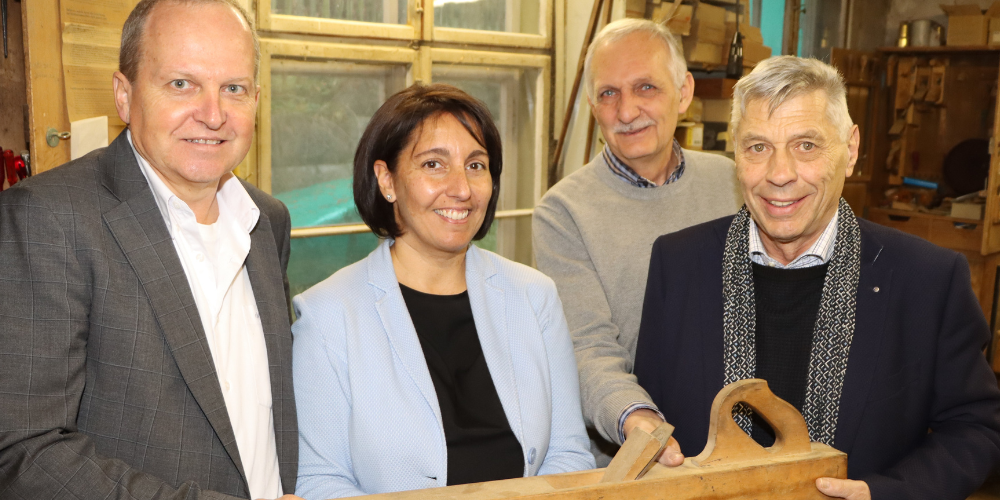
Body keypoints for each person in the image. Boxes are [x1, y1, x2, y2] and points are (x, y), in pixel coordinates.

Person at [634, 55, 1000, 500]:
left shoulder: (927, 280)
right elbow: (654, 421)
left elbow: (974, 427)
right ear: (736, 156)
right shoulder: (678, 265)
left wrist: (883, 494)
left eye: (806, 145)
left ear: (850, 150)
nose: (780, 174)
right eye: (757, 147)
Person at [0, 1, 300, 498]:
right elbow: (24, 452)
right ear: (124, 94)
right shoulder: (47, 219)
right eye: (181, 84)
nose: (212, 114)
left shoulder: (268, 222)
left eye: (233, 88)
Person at [292, 84, 595, 500]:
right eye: (434, 164)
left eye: (476, 165)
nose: (462, 189)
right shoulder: (328, 315)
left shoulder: (534, 296)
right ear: (387, 180)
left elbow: (569, 452)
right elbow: (318, 481)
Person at [532, 18, 742, 465]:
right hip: (631, 457)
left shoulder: (734, 184)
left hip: (738, 442)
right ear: (592, 104)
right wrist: (637, 418)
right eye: (609, 93)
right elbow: (586, 347)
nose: (626, 112)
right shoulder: (563, 212)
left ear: (684, 92)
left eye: (646, 87)